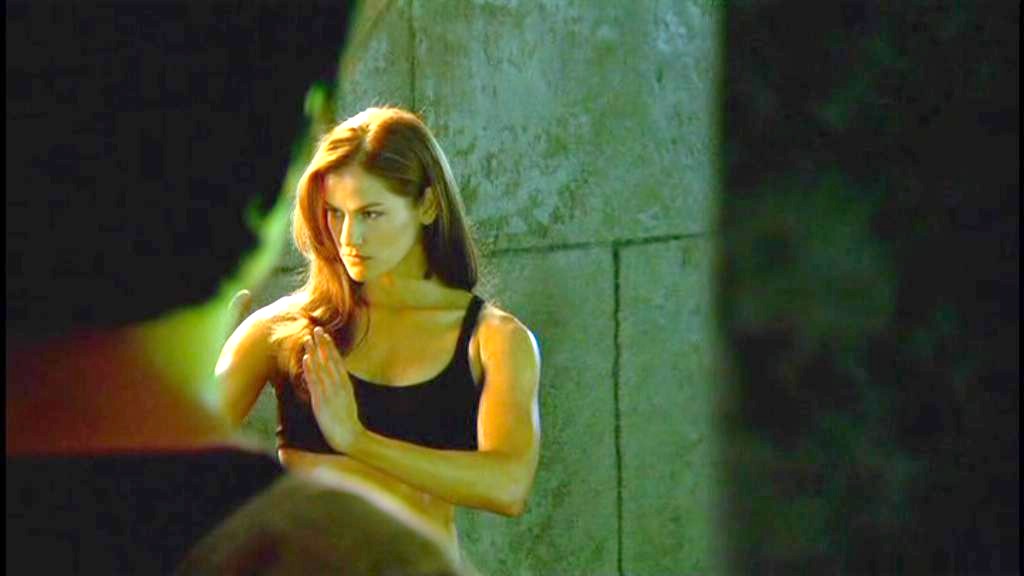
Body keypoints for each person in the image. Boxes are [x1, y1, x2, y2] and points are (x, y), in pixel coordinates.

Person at [215, 106, 543, 559]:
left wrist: (356, 440)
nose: (349, 237)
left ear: (427, 205)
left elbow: (509, 486)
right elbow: (169, 455)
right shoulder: (284, 330)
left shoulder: (493, 339)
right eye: (335, 213)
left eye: (371, 213)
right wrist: (190, 354)